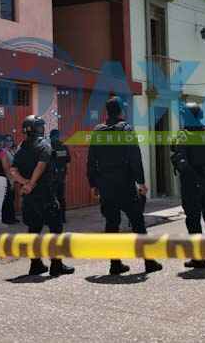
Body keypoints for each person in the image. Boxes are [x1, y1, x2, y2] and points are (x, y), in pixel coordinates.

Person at [87, 96, 162, 275]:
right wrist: (141, 182)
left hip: (106, 186)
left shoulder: (98, 131)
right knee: (137, 222)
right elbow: (135, 158)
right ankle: (149, 262)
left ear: (107, 112)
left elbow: (91, 161)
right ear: (121, 111)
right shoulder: (127, 129)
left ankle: (115, 264)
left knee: (112, 224)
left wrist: (93, 184)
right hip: (125, 185)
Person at [13, 116, 75, 277]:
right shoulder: (44, 144)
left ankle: (36, 265)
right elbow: (41, 165)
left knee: (33, 230)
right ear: (38, 128)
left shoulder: (21, 147)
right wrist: (31, 183)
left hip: (29, 197)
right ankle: (56, 265)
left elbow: (13, 170)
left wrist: (24, 183)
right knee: (56, 229)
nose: (43, 129)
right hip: (45, 194)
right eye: (41, 126)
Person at [171, 102, 205, 269]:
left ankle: (199, 258)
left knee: (193, 221)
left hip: (192, 185)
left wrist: (194, 178)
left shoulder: (183, 135)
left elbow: (182, 162)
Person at [49, 129, 71, 223]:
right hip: (60, 176)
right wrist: (66, 175)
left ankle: (52, 218)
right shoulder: (64, 146)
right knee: (61, 198)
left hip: (50, 176)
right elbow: (67, 162)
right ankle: (62, 218)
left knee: (51, 197)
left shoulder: (48, 146)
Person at [1, 134, 20, 225]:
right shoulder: (3, 151)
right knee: (7, 198)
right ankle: (7, 218)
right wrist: (10, 180)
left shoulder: (12, 151)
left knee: (11, 198)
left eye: (11, 140)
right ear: (4, 142)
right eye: (7, 140)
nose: (9, 142)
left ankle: (12, 217)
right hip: (6, 177)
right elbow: (6, 167)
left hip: (12, 177)